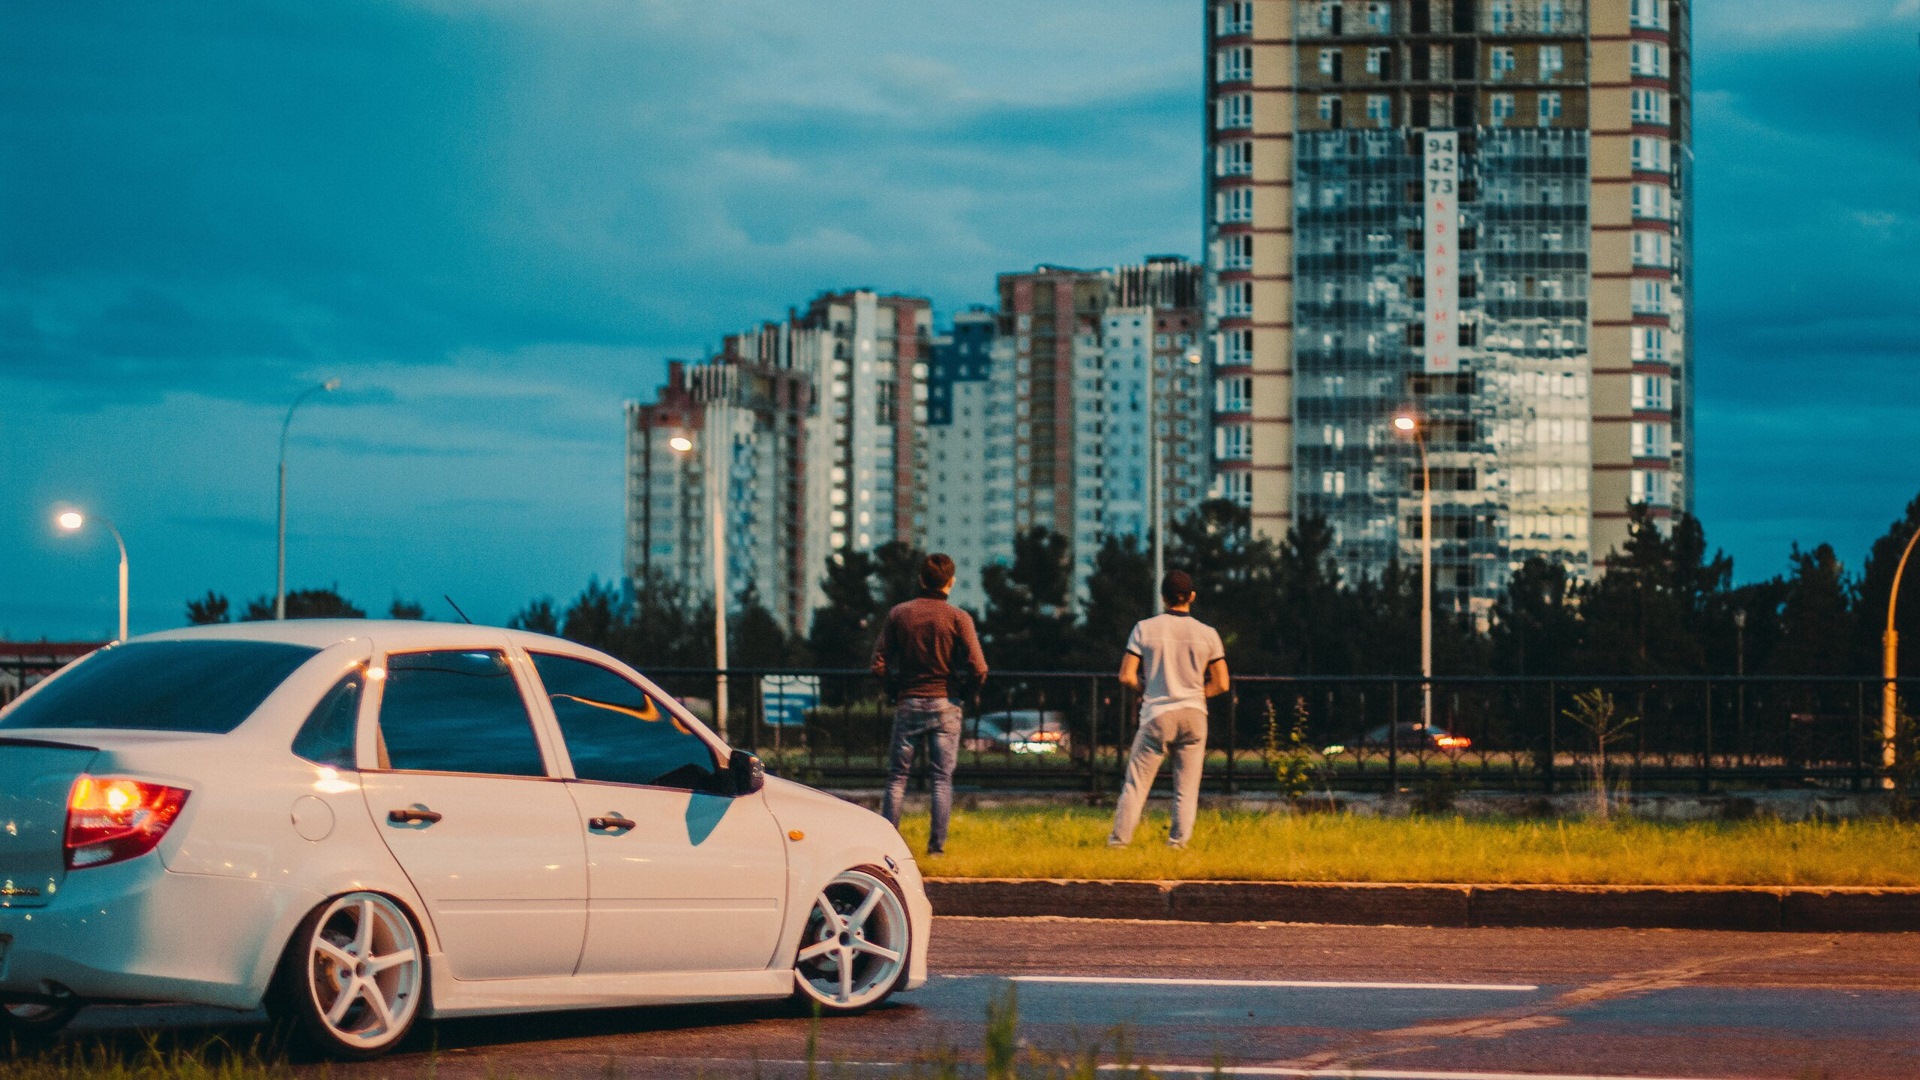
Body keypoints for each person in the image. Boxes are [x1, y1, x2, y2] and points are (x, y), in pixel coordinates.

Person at [870, 553, 988, 856]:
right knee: (941, 779)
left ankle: (887, 847)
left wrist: (895, 689)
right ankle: (936, 848)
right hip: (945, 704)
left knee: (897, 777)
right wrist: (963, 691)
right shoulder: (959, 618)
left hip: (909, 701)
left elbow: (878, 663)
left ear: (921, 579)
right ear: (951, 582)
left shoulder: (899, 614)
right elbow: (979, 667)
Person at [1108, 569, 1230, 849]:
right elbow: (1222, 682)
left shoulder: (1144, 628)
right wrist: (1199, 694)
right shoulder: (1208, 634)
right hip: (1195, 716)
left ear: (1163, 597)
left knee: (1136, 785)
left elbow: (1126, 675)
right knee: (1186, 790)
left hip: (1157, 715)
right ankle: (1177, 846)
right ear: (1192, 597)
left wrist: (1146, 689)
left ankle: (1118, 844)